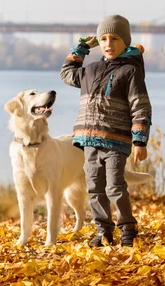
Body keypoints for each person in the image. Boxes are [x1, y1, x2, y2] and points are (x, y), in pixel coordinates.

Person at [60, 14, 152, 248]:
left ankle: (127, 228)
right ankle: (103, 230)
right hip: (89, 140)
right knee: (94, 187)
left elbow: (140, 106)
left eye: (115, 38)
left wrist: (140, 141)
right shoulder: (90, 70)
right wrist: (81, 47)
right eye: (103, 39)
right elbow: (67, 73)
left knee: (115, 186)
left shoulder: (130, 72)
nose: (108, 44)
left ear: (126, 42)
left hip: (116, 139)